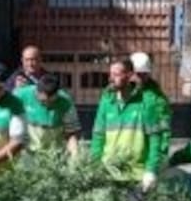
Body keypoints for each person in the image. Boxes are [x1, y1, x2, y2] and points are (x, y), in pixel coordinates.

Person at [90, 57, 166, 191]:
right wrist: (94, 166)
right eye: (110, 74)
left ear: (130, 76)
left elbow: (155, 139)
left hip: (137, 176)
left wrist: (151, 170)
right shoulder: (107, 101)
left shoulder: (146, 102)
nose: (111, 78)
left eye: (116, 75)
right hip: (109, 174)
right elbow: (98, 136)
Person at [16, 72, 80, 155]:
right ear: (37, 90)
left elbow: (71, 133)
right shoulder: (21, 95)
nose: (46, 105)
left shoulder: (66, 102)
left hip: (55, 154)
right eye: (42, 101)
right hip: (28, 151)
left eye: (50, 101)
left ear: (57, 94)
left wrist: (75, 156)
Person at [130, 52, 171, 163]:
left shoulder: (156, 97)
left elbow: (164, 125)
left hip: (148, 154)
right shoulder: (119, 95)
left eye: (144, 74)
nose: (141, 77)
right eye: (138, 74)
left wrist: (162, 150)